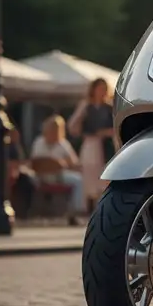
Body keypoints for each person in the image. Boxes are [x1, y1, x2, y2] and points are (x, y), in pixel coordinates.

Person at [68, 78, 114, 211]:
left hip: (106, 144)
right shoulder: (86, 106)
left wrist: (105, 132)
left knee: (104, 175)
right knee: (88, 174)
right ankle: (89, 206)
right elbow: (73, 127)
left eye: (104, 88)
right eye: (99, 88)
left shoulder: (109, 107)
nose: (101, 91)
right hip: (90, 143)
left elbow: (116, 127)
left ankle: (102, 207)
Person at [31, 115, 85, 225]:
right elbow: (35, 163)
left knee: (78, 180)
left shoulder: (63, 144)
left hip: (59, 175)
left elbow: (74, 163)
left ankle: (75, 213)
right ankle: (31, 212)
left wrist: (65, 163)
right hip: (40, 176)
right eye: (51, 129)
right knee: (28, 178)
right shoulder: (39, 142)